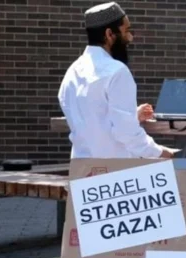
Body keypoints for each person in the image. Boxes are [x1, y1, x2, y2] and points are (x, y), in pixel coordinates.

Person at [58, 2, 177, 159]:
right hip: (115, 174)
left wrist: (132, 115)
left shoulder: (72, 72)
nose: (130, 37)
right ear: (109, 34)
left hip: (82, 171)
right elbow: (126, 133)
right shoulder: (117, 71)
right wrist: (162, 153)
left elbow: (93, 122)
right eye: (126, 31)